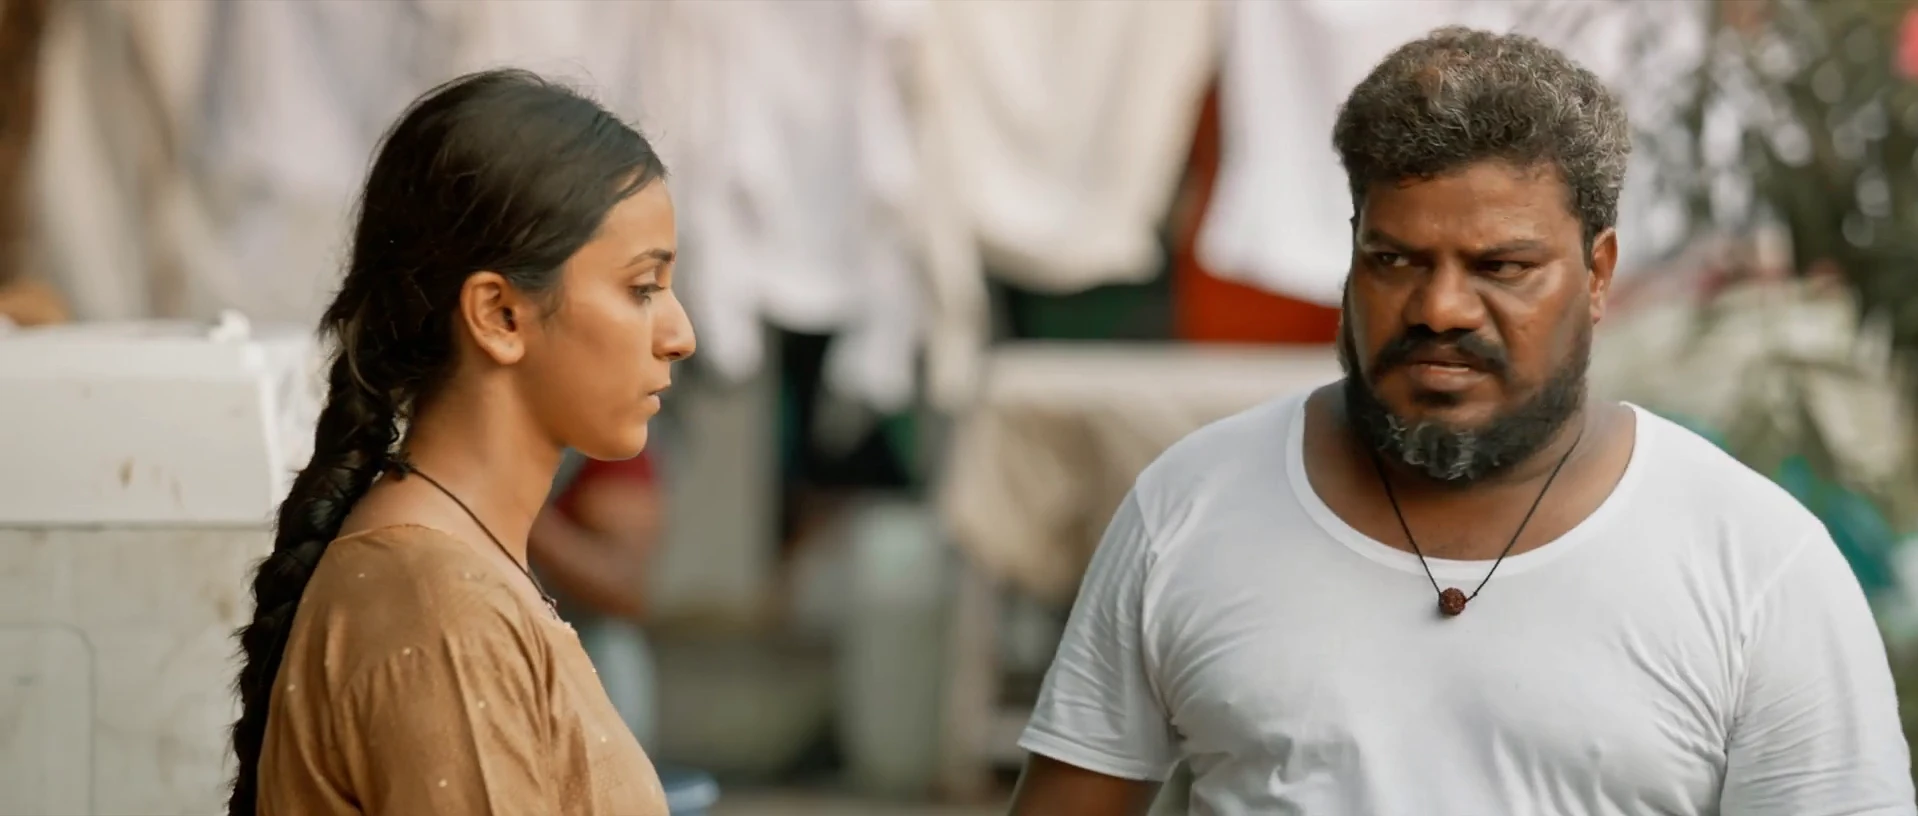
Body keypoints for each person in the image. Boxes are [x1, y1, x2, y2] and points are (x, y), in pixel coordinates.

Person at [1008, 27, 1914, 816]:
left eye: (1502, 267)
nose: (1440, 307)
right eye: (1396, 259)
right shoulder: (1189, 508)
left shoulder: (1754, 562)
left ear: (1598, 275)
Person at [226, 69, 694, 816]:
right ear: (499, 315)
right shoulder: (441, 610)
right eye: (642, 288)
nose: (680, 334)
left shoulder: (457, 576)